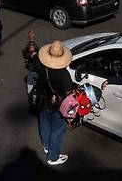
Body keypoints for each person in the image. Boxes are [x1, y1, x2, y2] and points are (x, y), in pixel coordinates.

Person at [29, 37, 75, 166]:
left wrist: (32, 39)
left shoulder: (39, 63)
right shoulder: (64, 75)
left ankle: (46, 146)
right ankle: (53, 157)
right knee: (57, 131)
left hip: (42, 101)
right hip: (58, 106)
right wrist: (71, 117)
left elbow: (32, 51)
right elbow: (69, 94)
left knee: (44, 124)